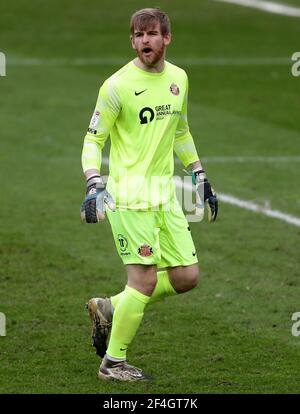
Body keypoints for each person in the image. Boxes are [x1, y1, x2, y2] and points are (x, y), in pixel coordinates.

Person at [80, 7, 218, 382]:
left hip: (164, 197)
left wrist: (199, 173)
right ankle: (113, 363)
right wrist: (94, 181)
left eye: (152, 34)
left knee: (187, 276)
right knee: (142, 281)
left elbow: (180, 131)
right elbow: (93, 140)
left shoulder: (179, 79)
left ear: (166, 38)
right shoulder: (116, 86)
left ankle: (112, 307)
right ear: (132, 41)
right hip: (128, 198)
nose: (145, 41)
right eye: (138, 35)